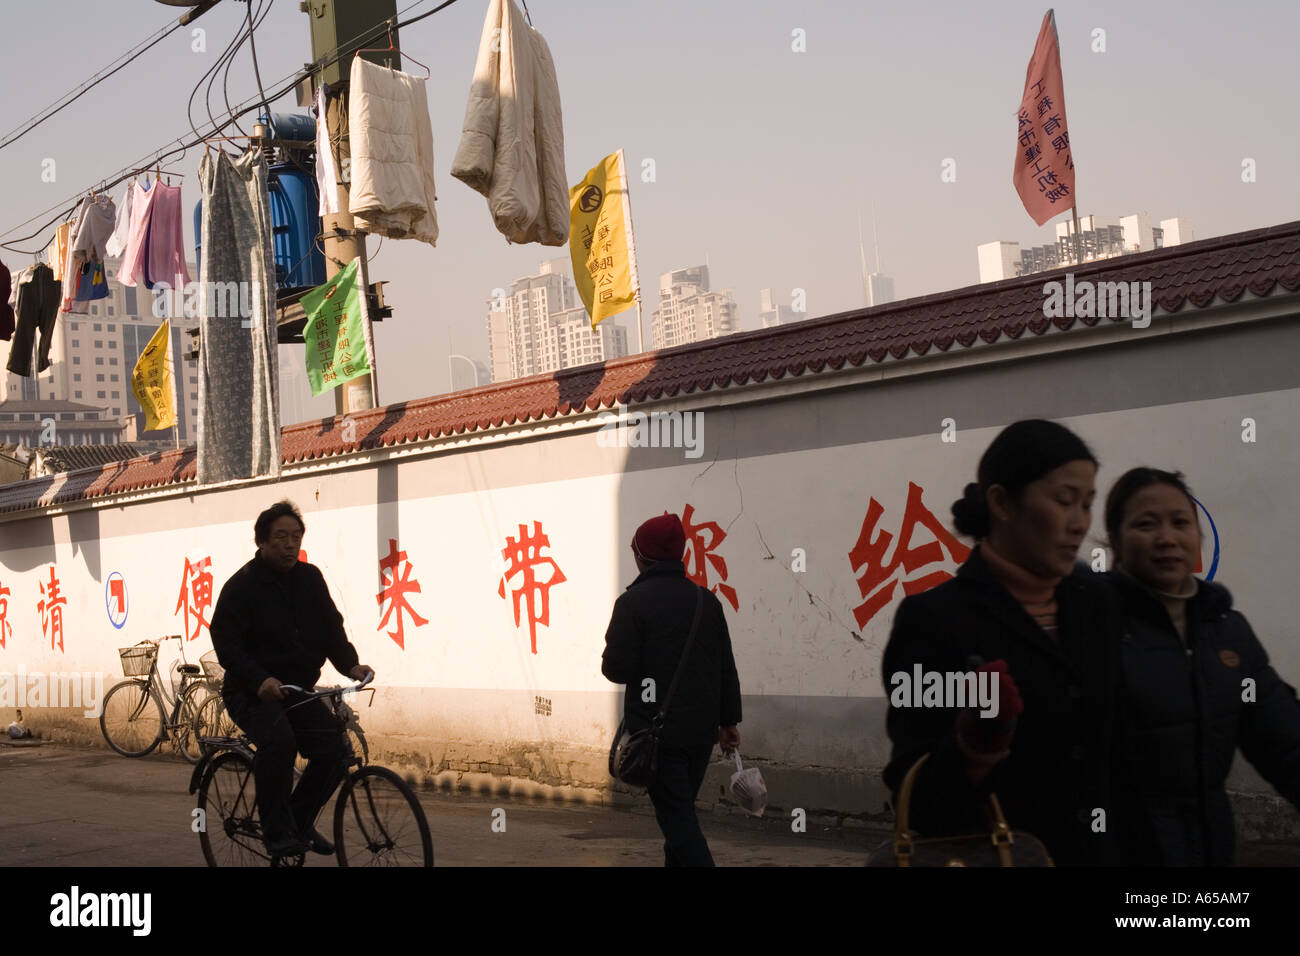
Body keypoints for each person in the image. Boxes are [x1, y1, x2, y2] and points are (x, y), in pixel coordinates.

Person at [881, 419, 1127, 866]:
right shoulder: (934, 620)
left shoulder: (1102, 605)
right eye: (1064, 501)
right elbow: (917, 799)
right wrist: (974, 747)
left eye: (1088, 504)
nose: (1079, 524)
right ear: (1002, 502)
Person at [1102, 467, 1300, 865]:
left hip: (1209, 847)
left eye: (1180, 523)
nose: (1167, 539)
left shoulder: (1227, 631)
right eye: (1146, 524)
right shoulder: (1092, 627)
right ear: (1116, 542)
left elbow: (1285, 742)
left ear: (1198, 536)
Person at [210, 500, 374, 858]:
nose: (289, 544)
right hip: (251, 692)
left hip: (297, 690)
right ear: (262, 542)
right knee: (280, 742)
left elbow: (331, 628)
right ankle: (275, 831)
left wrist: (351, 665)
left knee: (333, 750)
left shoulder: (310, 578)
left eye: (295, 537)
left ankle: (298, 820)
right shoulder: (242, 587)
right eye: (280, 537)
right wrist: (259, 679)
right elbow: (226, 643)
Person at [601, 512, 743, 866]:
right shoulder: (705, 602)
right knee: (679, 821)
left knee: (680, 826)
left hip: (657, 737)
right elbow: (725, 665)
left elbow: (615, 669)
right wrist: (729, 722)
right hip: (700, 735)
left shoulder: (632, 604)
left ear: (641, 557)